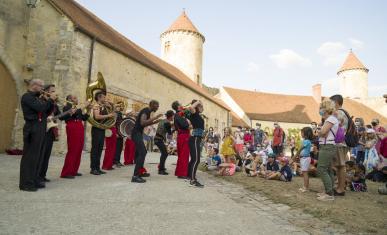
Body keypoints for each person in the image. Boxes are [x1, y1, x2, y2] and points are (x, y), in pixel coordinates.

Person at [19, 79, 55, 191]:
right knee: (30, 157)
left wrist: (51, 102)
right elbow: (40, 108)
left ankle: (34, 179)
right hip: (32, 128)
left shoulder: (36, 98)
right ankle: (26, 183)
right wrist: (49, 100)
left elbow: (46, 112)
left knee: (38, 156)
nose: (43, 89)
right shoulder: (27, 97)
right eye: (41, 86)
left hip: (40, 127)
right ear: (34, 86)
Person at [131, 100, 163, 183]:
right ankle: (135, 176)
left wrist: (155, 121)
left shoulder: (148, 112)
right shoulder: (146, 111)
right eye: (157, 105)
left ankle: (140, 172)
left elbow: (144, 124)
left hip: (138, 133)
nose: (158, 107)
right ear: (152, 105)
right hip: (136, 133)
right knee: (142, 152)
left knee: (142, 152)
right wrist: (155, 117)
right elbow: (142, 122)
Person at [59, 95, 90, 178]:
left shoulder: (76, 107)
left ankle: (74, 170)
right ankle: (66, 172)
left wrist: (88, 110)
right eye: (75, 98)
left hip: (79, 125)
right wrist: (84, 106)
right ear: (69, 99)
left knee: (79, 149)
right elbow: (74, 113)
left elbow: (84, 118)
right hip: (72, 126)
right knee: (73, 149)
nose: (77, 99)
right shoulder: (67, 107)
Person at [316, 98, 339, 201]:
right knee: (328, 169)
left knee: (321, 169)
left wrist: (318, 132)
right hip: (328, 146)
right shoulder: (331, 119)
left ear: (326, 108)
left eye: (321, 108)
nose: (320, 110)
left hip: (327, 146)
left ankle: (329, 194)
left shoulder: (330, 119)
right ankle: (328, 191)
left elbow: (323, 132)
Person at [90, 91, 116, 175]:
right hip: (96, 128)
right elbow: (97, 117)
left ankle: (97, 168)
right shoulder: (96, 106)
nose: (105, 99)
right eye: (104, 97)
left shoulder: (103, 106)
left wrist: (110, 108)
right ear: (99, 98)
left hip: (102, 128)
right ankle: (93, 168)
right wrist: (108, 115)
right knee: (95, 149)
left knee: (100, 149)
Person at [39, 84, 60, 183]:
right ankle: (38, 176)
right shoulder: (42, 101)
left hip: (51, 130)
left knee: (47, 155)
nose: (54, 93)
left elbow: (59, 115)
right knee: (41, 154)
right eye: (52, 91)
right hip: (43, 130)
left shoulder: (54, 103)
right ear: (46, 91)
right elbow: (42, 112)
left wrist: (70, 112)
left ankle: (43, 175)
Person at [330, 94, 350, 196]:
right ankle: (340, 186)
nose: (330, 105)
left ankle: (341, 189)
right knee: (339, 165)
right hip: (343, 142)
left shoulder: (339, 113)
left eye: (331, 103)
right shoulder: (345, 112)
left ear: (336, 102)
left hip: (339, 143)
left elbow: (333, 126)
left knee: (340, 166)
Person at [188, 100, 205, 187]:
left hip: (196, 139)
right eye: (200, 106)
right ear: (197, 107)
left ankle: (190, 176)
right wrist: (198, 101)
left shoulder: (197, 115)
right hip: (194, 139)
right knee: (196, 159)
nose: (202, 108)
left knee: (194, 159)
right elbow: (191, 107)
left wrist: (200, 103)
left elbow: (203, 109)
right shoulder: (194, 113)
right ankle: (192, 180)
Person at [172, 101, 191, 179]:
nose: (182, 105)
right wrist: (189, 123)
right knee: (184, 155)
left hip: (182, 136)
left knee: (182, 155)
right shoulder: (178, 115)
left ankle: (180, 172)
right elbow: (185, 125)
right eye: (180, 104)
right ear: (178, 107)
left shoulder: (179, 115)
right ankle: (182, 173)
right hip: (184, 136)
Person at [154, 110, 174, 175]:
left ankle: (161, 167)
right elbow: (169, 134)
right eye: (173, 116)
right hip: (159, 139)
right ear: (171, 116)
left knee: (164, 153)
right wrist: (175, 128)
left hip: (157, 139)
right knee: (165, 154)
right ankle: (161, 169)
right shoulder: (167, 123)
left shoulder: (163, 121)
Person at [102, 102, 118, 171]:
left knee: (112, 149)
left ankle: (109, 164)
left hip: (113, 128)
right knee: (109, 148)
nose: (108, 104)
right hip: (109, 129)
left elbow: (114, 117)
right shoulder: (104, 111)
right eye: (107, 103)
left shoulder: (110, 111)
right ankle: (106, 165)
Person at [297, 127, 313, 192]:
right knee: (304, 173)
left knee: (305, 173)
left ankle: (306, 187)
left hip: (305, 158)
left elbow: (301, 148)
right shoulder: (306, 141)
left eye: (302, 133)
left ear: (305, 134)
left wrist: (296, 155)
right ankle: (305, 186)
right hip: (304, 158)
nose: (301, 134)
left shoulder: (306, 141)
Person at [113, 101, 125, 167]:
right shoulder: (114, 113)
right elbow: (114, 123)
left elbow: (121, 123)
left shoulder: (120, 113)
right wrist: (115, 133)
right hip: (117, 132)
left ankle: (118, 160)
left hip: (120, 132)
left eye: (120, 106)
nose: (119, 107)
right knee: (116, 148)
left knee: (120, 148)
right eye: (118, 106)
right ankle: (115, 161)